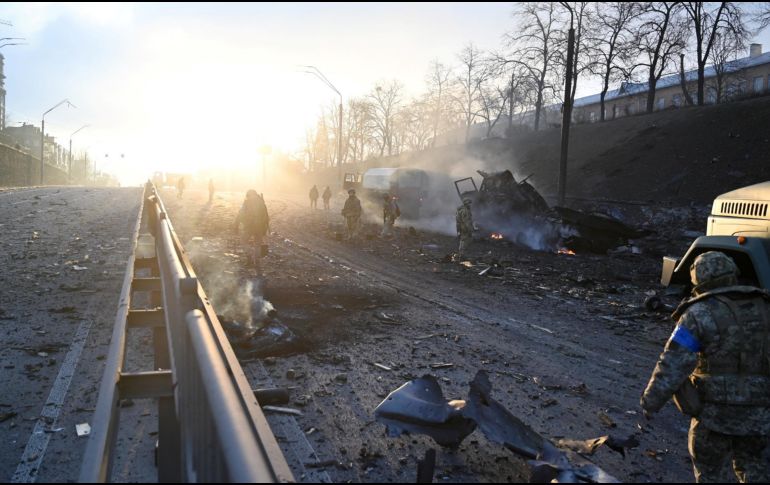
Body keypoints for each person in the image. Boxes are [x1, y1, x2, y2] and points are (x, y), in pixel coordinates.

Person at [641, 251, 770, 483]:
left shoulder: (697, 314)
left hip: (714, 417)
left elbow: (674, 363)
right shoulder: (765, 307)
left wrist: (651, 401)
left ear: (698, 281)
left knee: (711, 475)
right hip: (761, 417)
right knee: (758, 473)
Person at [233, 189, 270, 273]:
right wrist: (264, 229)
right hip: (260, 227)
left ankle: (249, 258)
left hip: (249, 227)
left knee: (243, 241)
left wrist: (236, 224)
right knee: (257, 244)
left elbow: (240, 213)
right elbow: (266, 217)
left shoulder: (247, 202)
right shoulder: (261, 202)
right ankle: (257, 263)